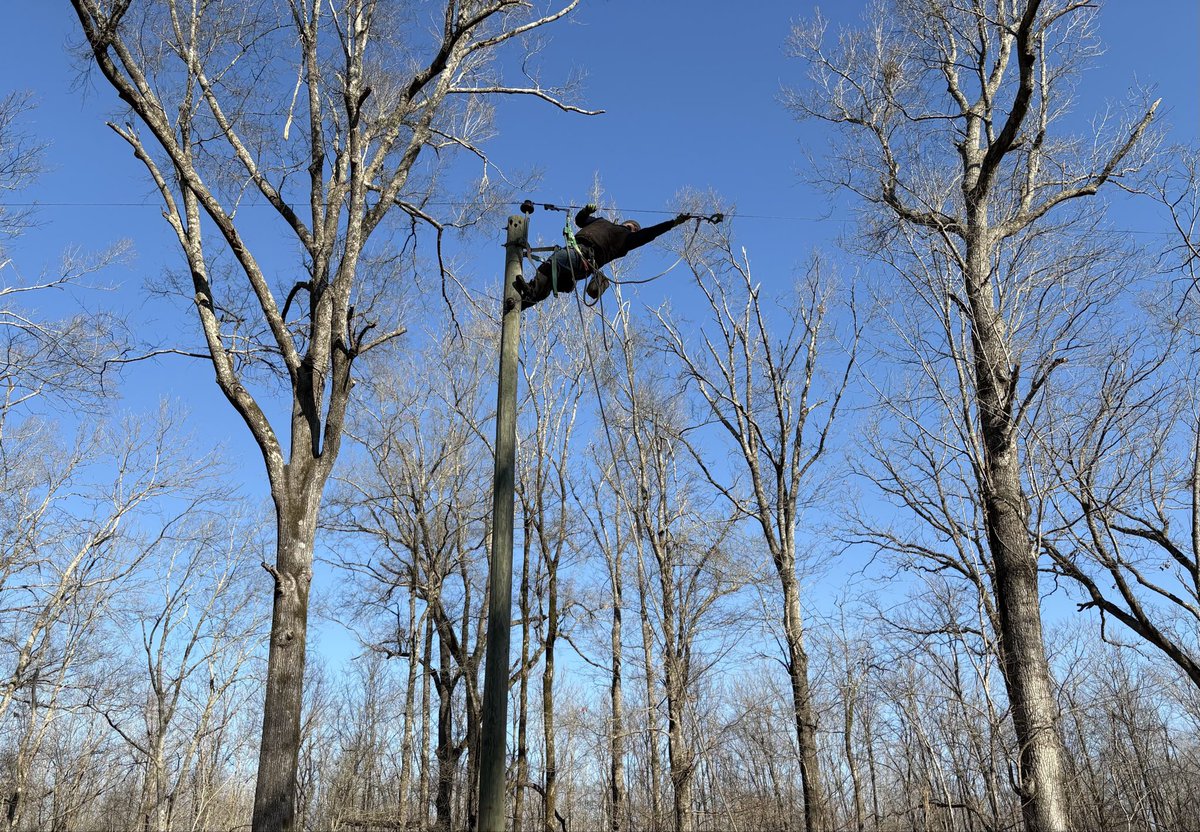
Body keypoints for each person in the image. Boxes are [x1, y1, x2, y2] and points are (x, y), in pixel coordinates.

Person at [514, 203, 692, 310]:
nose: (633, 229)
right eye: (631, 225)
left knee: (557, 259)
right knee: (550, 271)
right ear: (624, 223)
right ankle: (524, 302)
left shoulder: (626, 239)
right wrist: (585, 211)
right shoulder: (602, 222)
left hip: (584, 259)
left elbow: (649, 233)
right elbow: (580, 221)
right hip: (577, 253)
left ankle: (531, 293)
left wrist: (673, 223)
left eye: (636, 229)